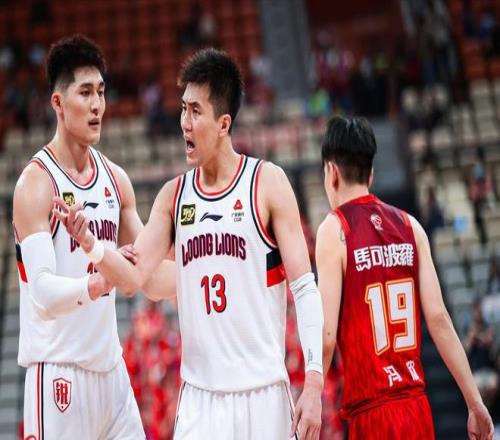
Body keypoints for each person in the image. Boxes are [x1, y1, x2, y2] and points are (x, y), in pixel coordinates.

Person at [54, 48, 324, 440]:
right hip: (201, 401)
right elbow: (134, 279)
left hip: (264, 393)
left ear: (223, 123)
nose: (184, 122)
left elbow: (304, 287)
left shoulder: (267, 183)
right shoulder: (173, 196)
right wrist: (91, 243)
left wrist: (313, 381)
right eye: (183, 109)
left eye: (196, 111)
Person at [12, 35, 156, 439]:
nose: (97, 105)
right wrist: (96, 284)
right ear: (58, 103)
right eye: (86, 92)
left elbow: (147, 269)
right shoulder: (36, 184)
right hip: (58, 375)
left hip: (112, 375)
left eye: (102, 92)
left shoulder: (116, 179)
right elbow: (42, 292)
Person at [317, 116, 494, 439]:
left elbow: (327, 335)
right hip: (416, 407)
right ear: (371, 173)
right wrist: (474, 401)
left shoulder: (334, 229)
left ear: (332, 172)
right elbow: (439, 319)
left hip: (372, 410)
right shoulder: (411, 226)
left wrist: (311, 395)